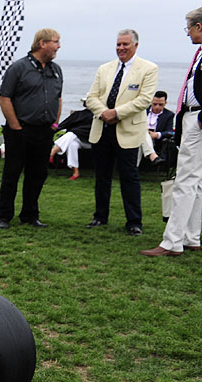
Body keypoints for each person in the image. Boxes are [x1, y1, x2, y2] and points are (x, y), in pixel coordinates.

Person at [84, 29, 158, 236]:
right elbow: (91, 97)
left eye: (125, 44)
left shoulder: (149, 68)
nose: (121, 48)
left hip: (128, 131)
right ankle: (100, 217)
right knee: (102, 177)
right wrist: (104, 113)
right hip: (102, 129)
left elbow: (144, 100)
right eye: (118, 44)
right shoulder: (104, 68)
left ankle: (134, 222)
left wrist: (117, 113)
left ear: (136, 45)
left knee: (129, 177)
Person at [140, 8, 202, 257]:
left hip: (197, 118)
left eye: (189, 28)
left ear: (199, 26)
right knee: (197, 181)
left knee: (185, 180)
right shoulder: (200, 53)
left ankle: (172, 241)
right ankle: (191, 236)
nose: (187, 34)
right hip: (193, 116)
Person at [0, 28, 63, 229]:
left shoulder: (56, 70)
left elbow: (58, 98)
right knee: (12, 174)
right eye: (55, 42)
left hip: (44, 131)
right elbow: (4, 98)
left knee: (37, 174)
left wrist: (55, 124)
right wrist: (16, 127)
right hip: (20, 130)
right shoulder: (19, 68)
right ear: (42, 43)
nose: (58, 46)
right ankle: (3, 215)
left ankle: (30, 215)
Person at [50, 107, 92, 180]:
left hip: (91, 142)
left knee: (72, 133)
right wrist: (50, 132)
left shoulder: (98, 116)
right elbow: (62, 125)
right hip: (77, 140)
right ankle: (76, 172)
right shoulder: (78, 114)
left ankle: (52, 152)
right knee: (72, 144)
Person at [139, 91, 175, 163]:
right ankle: (153, 156)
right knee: (143, 134)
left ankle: (134, 167)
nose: (157, 107)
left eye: (160, 105)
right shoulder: (143, 110)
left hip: (155, 141)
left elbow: (170, 132)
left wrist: (157, 134)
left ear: (165, 103)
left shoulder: (169, 115)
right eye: (155, 104)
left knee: (142, 138)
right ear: (151, 102)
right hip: (139, 136)